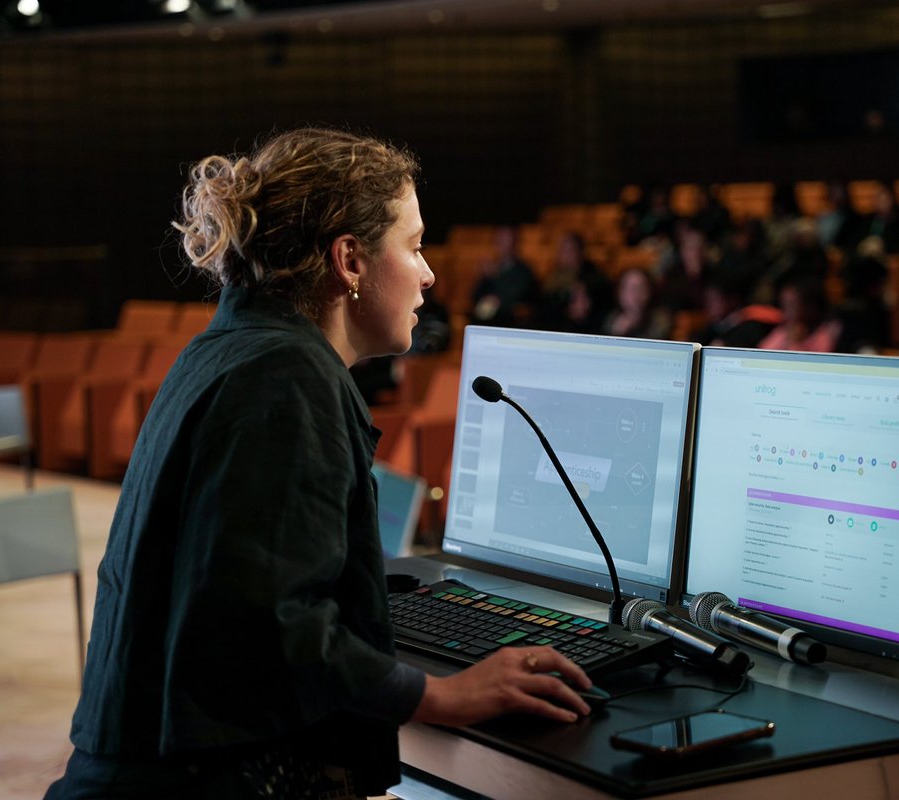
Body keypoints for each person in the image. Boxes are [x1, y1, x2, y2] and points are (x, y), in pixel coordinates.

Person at [46, 128, 592, 800]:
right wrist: (443, 697)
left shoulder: (231, 346)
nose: (428, 274)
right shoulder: (286, 375)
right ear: (350, 260)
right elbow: (275, 623)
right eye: (414, 246)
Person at [602, 266, 673, 340]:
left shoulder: (661, 320)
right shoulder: (612, 319)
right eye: (626, 288)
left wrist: (634, 324)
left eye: (639, 288)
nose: (633, 294)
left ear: (649, 291)